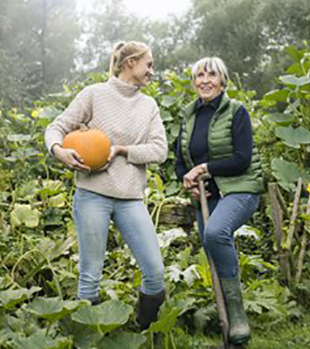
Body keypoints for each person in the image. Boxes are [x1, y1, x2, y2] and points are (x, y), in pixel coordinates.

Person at [45, 41, 168, 330]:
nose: (151, 70)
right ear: (130, 63)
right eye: (148, 64)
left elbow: (160, 150)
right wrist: (59, 150)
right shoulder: (94, 95)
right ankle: (89, 337)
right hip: (92, 195)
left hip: (130, 198)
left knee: (155, 271)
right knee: (90, 275)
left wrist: (123, 150)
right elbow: (56, 128)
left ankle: (143, 333)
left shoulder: (148, 106)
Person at [175, 57, 264, 345]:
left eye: (211, 75)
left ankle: (237, 316)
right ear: (193, 82)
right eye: (199, 75)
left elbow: (242, 159)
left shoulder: (236, 111)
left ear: (223, 80)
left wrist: (205, 169)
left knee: (215, 232)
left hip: (240, 188)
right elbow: (179, 162)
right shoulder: (188, 116)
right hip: (208, 195)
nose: (205, 81)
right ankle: (227, 327)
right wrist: (188, 182)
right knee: (211, 245)